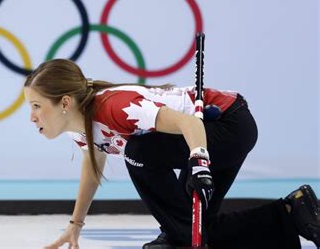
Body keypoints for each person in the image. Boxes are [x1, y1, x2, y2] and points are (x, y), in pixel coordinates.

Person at [23, 59, 319, 249]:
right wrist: (75, 227)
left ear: (64, 102)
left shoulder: (116, 108)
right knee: (198, 232)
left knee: (138, 152)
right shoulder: (82, 127)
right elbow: (92, 169)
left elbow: (188, 122)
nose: (32, 117)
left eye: (36, 106)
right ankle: (293, 212)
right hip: (201, 138)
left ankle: (175, 235)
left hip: (226, 125)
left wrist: (200, 165)